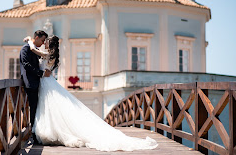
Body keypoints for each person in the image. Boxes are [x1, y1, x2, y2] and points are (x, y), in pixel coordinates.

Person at [25, 35, 158, 152]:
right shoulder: (49, 54)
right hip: (46, 83)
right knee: (49, 109)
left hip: (47, 83)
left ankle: (51, 132)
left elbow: (33, 50)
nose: (44, 43)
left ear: (51, 44)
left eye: (46, 41)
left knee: (51, 108)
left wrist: (29, 41)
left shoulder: (48, 55)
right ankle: (48, 132)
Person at [19, 30, 51, 144]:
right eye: (42, 40)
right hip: (30, 83)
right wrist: (41, 73)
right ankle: (34, 135)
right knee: (33, 109)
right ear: (36, 37)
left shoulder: (33, 49)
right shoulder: (25, 49)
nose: (43, 43)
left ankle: (36, 133)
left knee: (37, 108)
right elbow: (27, 66)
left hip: (37, 83)